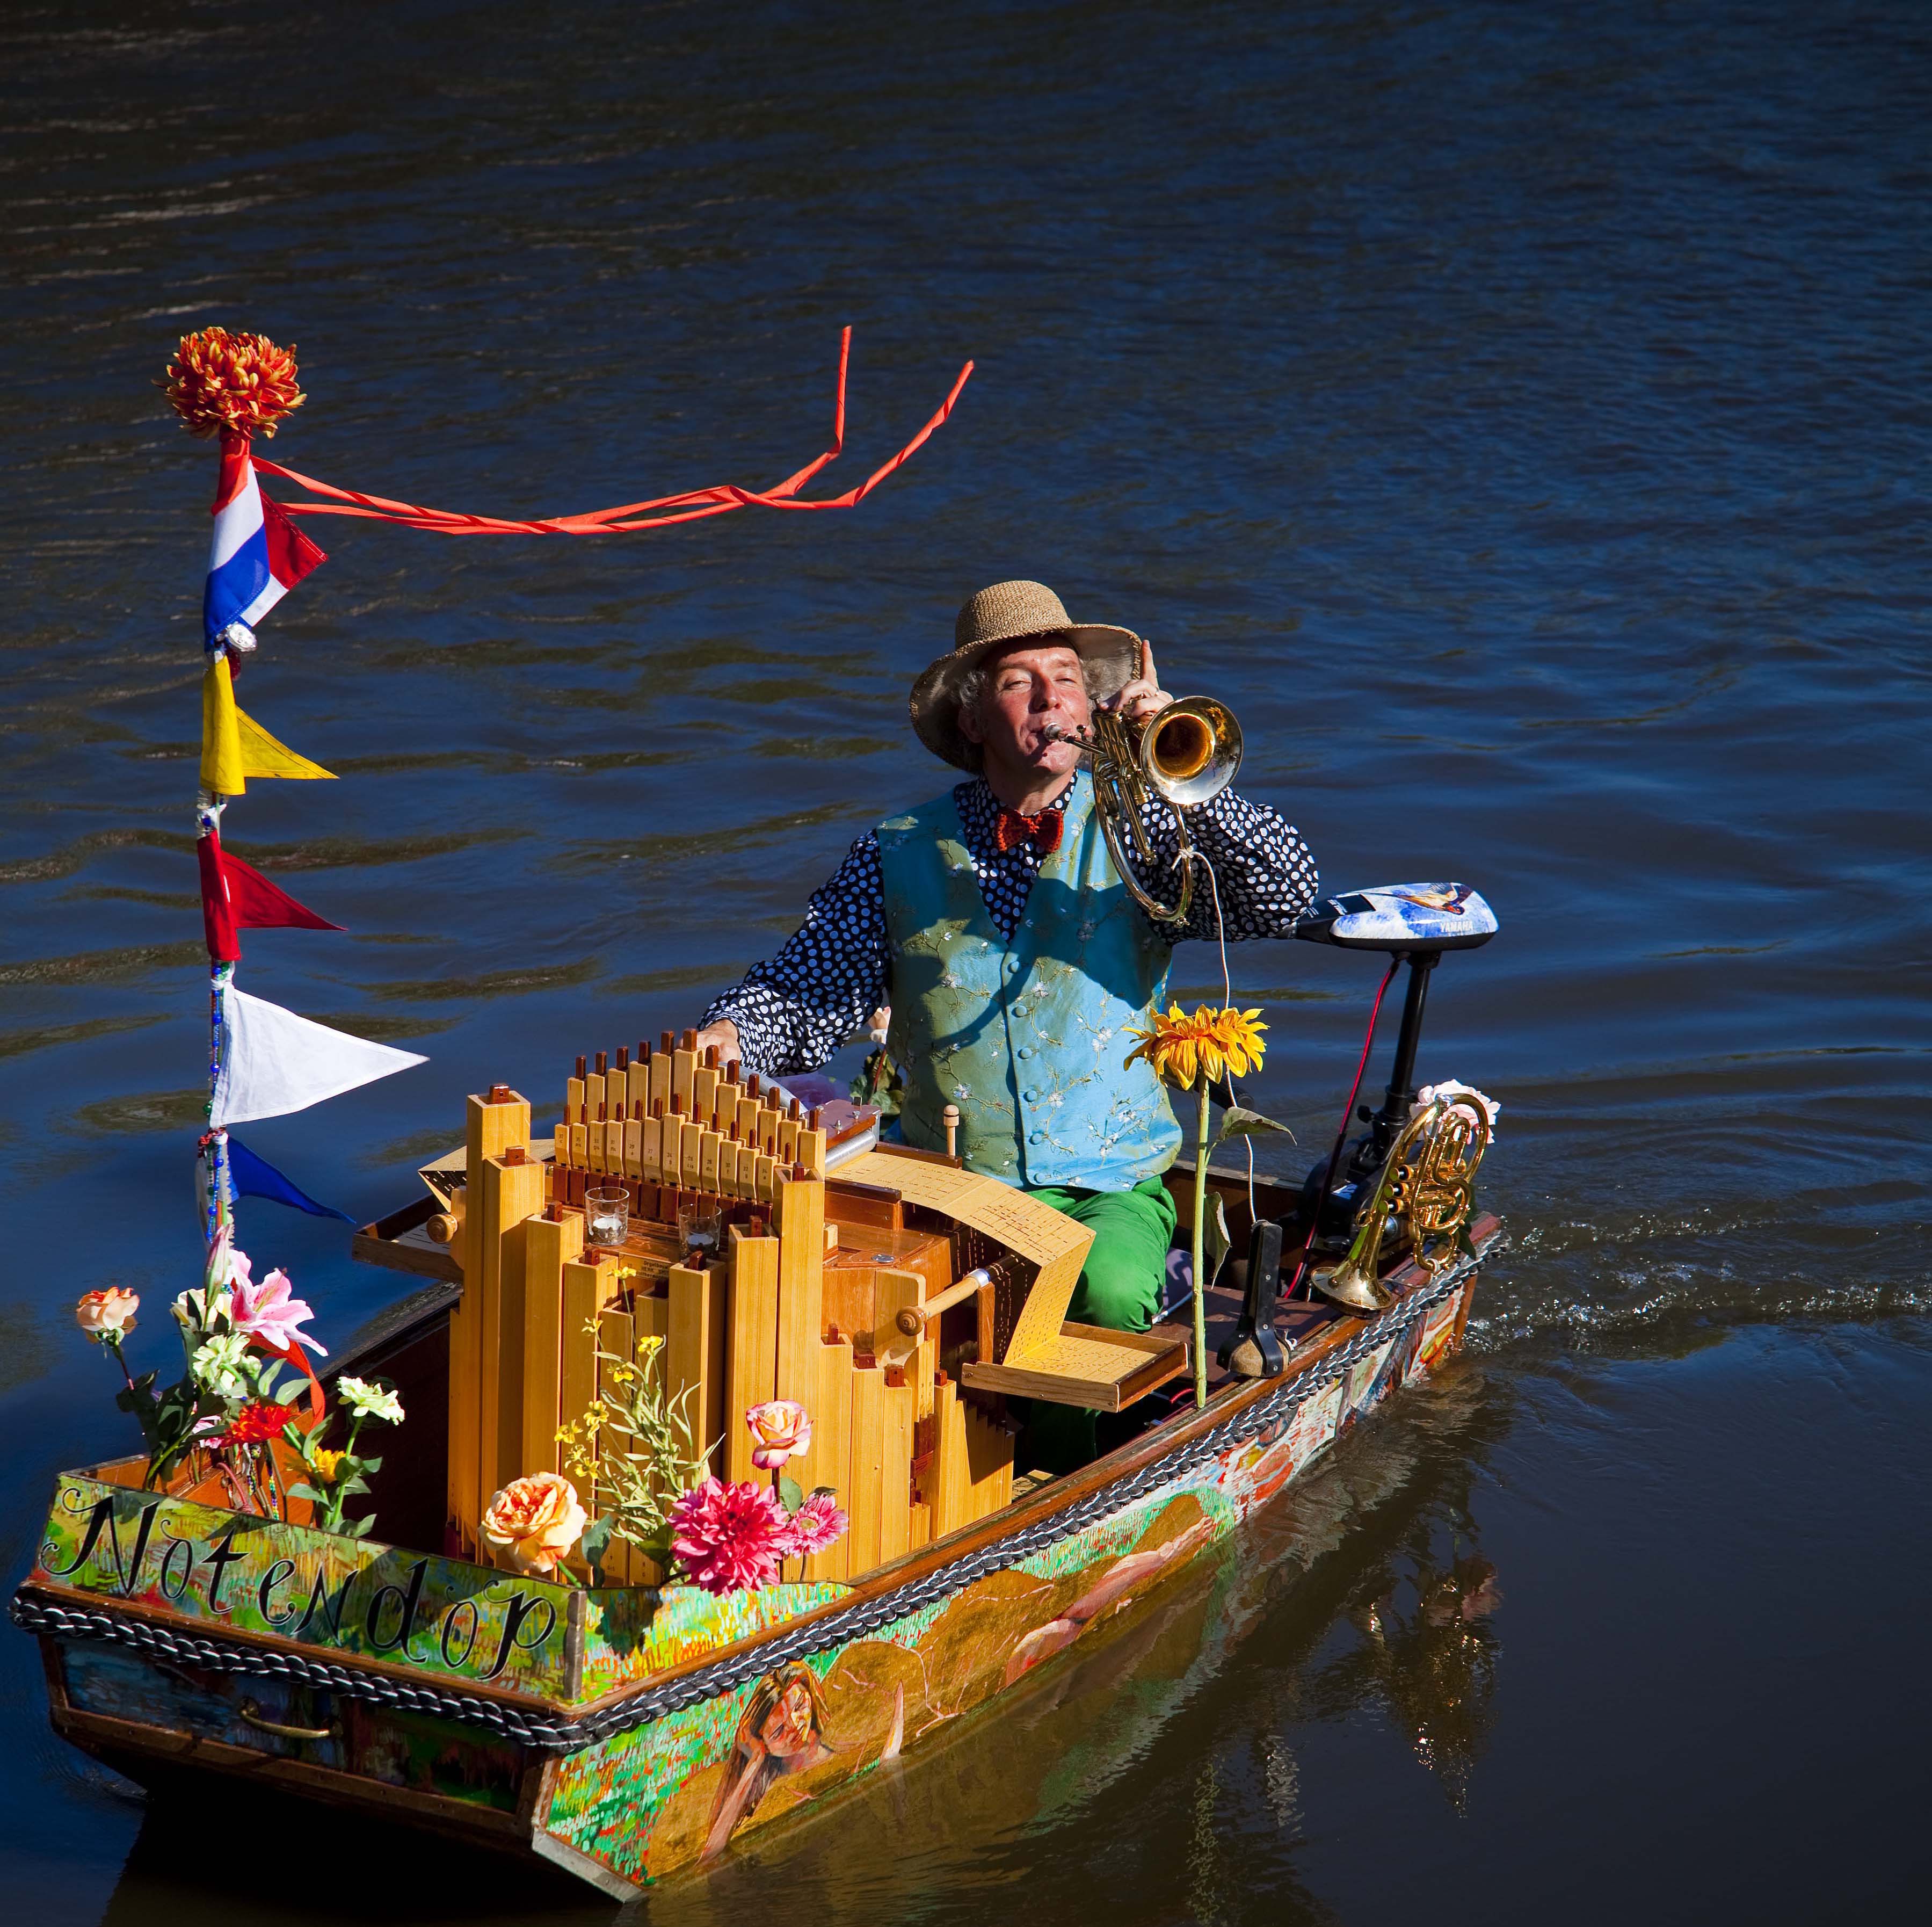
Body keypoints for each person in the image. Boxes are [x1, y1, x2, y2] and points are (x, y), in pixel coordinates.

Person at [695, 580, 1318, 1457]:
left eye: (1066, 678)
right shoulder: (897, 848)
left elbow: (1285, 897)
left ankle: (1062, 1476)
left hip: (1109, 1184)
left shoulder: (1144, 830)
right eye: (1017, 681)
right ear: (971, 722)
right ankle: (933, 1475)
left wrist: (1180, 778)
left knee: (1096, 1293)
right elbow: (809, 983)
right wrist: (730, 1034)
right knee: (876, 1316)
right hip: (952, 1183)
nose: (1052, 698)